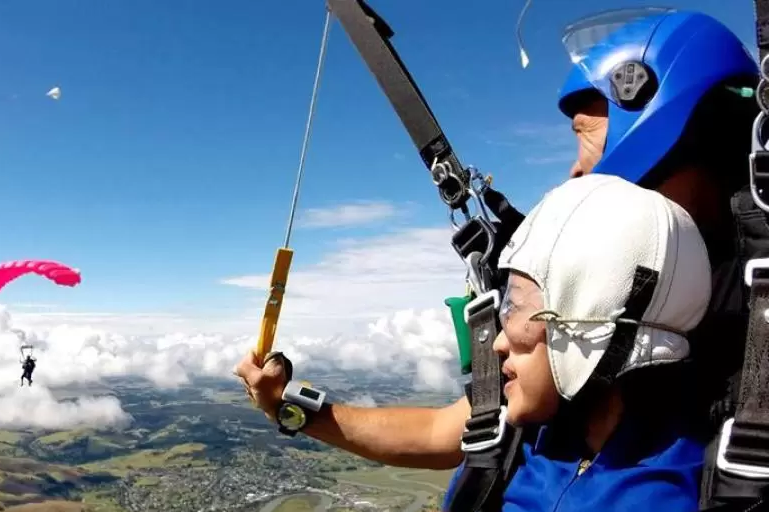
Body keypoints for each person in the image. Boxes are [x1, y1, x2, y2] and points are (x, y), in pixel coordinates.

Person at [234, 9, 758, 471]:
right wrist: (292, 407)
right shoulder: (582, 296)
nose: (575, 171)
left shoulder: (751, 310)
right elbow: (457, 431)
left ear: (658, 120)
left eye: (583, 133)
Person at [391, 173, 767, 512]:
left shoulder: (731, 486)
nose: (496, 339)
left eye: (516, 308)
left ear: (587, 316)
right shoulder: (508, 460)